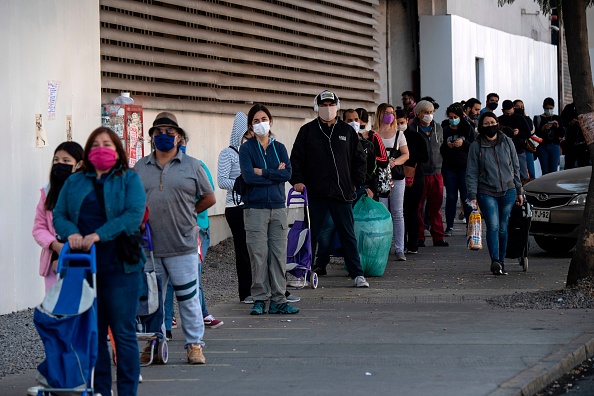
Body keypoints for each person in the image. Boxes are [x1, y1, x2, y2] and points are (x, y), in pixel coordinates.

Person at [52, 127, 147, 395]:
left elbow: (133, 214)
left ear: (117, 150)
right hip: (85, 268)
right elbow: (59, 214)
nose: (101, 149)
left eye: (107, 144)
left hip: (121, 267)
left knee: (123, 333)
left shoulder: (129, 179)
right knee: (94, 336)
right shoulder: (75, 181)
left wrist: (98, 235)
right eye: (95, 145)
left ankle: (127, 391)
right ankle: (102, 390)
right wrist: (72, 233)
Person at [135, 112, 215, 364]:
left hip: (183, 246)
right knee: (152, 302)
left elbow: (209, 197)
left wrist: (190, 212)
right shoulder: (140, 167)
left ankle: (194, 346)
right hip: (150, 248)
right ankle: (154, 344)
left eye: (170, 131)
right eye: (158, 132)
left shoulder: (193, 166)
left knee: (188, 300)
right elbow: (134, 200)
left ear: (179, 136)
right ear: (151, 137)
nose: (164, 136)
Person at [290, 90, 369, 288]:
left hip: (342, 192)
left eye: (330, 105)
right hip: (315, 193)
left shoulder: (347, 131)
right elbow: (296, 160)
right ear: (317, 107)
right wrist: (297, 181)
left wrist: (356, 182)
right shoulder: (307, 131)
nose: (327, 109)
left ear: (337, 106)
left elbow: (360, 160)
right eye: (323, 105)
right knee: (311, 234)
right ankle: (302, 272)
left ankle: (357, 274)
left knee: (347, 233)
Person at [238, 103, 298, 315]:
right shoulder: (246, 149)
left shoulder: (279, 147)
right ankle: (259, 298)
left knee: (278, 255)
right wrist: (273, 173)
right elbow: (248, 177)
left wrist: (263, 172)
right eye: (256, 121)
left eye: (264, 119)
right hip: (255, 209)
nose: (260, 123)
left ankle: (279, 299)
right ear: (250, 126)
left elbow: (287, 174)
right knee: (258, 255)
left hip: (278, 208)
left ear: (270, 121)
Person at [466, 112, 523, 276]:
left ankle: (502, 262)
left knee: (503, 228)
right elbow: (471, 172)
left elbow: (515, 167)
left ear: (497, 123)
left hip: (508, 190)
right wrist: (472, 195)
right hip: (486, 191)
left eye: (492, 122)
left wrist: (519, 190)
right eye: (486, 124)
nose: (490, 126)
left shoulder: (507, 141)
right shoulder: (476, 146)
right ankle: (495, 261)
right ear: (481, 127)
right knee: (493, 226)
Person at [32, 141, 84, 292]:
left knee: (81, 310)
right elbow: (38, 227)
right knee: (56, 310)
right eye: (56, 160)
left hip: (83, 260)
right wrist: (55, 247)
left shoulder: (88, 190)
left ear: (79, 164)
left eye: (66, 161)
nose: (59, 164)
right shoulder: (47, 192)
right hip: (53, 265)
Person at [217, 113, 253, 303]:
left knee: (258, 248)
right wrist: (243, 182)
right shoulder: (228, 153)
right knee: (243, 249)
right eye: (246, 134)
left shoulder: (253, 152)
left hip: (254, 204)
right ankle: (245, 291)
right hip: (236, 206)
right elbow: (222, 181)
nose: (249, 137)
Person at [373, 103, 409, 260]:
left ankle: (400, 247)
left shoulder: (399, 134)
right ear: (380, 114)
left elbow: (406, 154)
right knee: (383, 212)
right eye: (387, 113)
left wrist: (394, 162)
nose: (390, 116)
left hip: (396, 176)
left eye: (392, 113)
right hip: (379, 177)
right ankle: (384, 246)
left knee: (397, 212)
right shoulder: (373, 134)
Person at [413, 100, 449, 247]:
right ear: (418, 113)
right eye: (425, 112)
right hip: (419, 173)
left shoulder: (438, 128)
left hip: (436, 172)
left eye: (431, 112)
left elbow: (442, 148)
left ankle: (438, 236)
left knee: (436, 206)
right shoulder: (411, 129)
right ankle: (419, 236)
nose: (429, 115)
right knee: (418, 206)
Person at [439, 103, 473, 236]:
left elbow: (473, 147)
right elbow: (440, 149)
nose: (453, 119)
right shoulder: (445, 130)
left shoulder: (467, 129)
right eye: (450, 117)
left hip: (465, 168)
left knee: (466, 197)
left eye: (455, 117)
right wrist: (447, 146)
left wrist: (463, 143)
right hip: (449, 168)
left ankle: (469, 226)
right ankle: (449, 226)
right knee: (451, 197)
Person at [401, 109, 429, 254]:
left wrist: (408, 156)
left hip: (415, 177)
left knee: (412, 211)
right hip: (395, 178)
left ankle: (413, 243)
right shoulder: (389, 136)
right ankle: (401, 243)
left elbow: (425, 157)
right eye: (397, 122)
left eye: (402, 122)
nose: (400, 125)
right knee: (399, 212)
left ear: (407, 121)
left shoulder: (416, 136)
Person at [499, 100, 531, 181]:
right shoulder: (500, 119)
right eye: (507, 114)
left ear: (513, 109)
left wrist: (518, 133)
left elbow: (528, 133)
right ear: (503, 111)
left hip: (518, 150)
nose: (509, 115)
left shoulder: (520, 118)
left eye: (510, 113)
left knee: (522, 173)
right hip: (504, 150)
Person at [533, 97, 565, 175]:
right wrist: (543, 128)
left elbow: (562, 133)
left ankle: (552, 186)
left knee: (553, 171)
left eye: (551, 108)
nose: (549, 110)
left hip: (554, 145)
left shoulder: (557, 118)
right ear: (543, 107)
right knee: (545, 170)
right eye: (547, 108)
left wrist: (557, 126)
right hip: (542, 146)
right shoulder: (538, 118)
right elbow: (535, 133)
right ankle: (545, 186)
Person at [561, 102, 591, 169]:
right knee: (569, 165)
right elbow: (562, 121)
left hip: (583, 143)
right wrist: (570, 123)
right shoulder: (569, 108)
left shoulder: (587, 108)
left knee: (584, 164)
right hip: (571, 142)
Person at [513, 99, 536, 179]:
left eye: (522, 107)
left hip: (526, 147)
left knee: (531, 171)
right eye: (517, 106)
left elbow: (530, 131)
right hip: (516, 148)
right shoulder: (512, 118)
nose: (520, 108)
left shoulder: (526, 118)